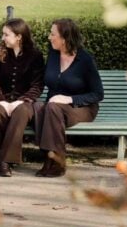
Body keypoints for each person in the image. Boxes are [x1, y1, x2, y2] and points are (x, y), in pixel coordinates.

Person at [32, 19, 104, 178]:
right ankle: (50, 156)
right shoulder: (52, 54)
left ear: (64, 39)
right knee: (38, 107)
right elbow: (44, 81)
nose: (49, 37)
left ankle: (57, 162)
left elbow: (98, 94)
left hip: (82, 108)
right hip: (55, 108)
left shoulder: (84, 60)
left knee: (52, 108)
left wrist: (69, 99)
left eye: (53, 34)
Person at [0, 18, 45, 177]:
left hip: (25, 102)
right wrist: (1, 100)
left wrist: (21, 101)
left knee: (21, 112)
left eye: (6, 34)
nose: (2, 38)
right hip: (2, 99)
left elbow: (37, 85)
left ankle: (3, 162)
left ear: (19, 36)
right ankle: (2, 158)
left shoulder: (35, 55)